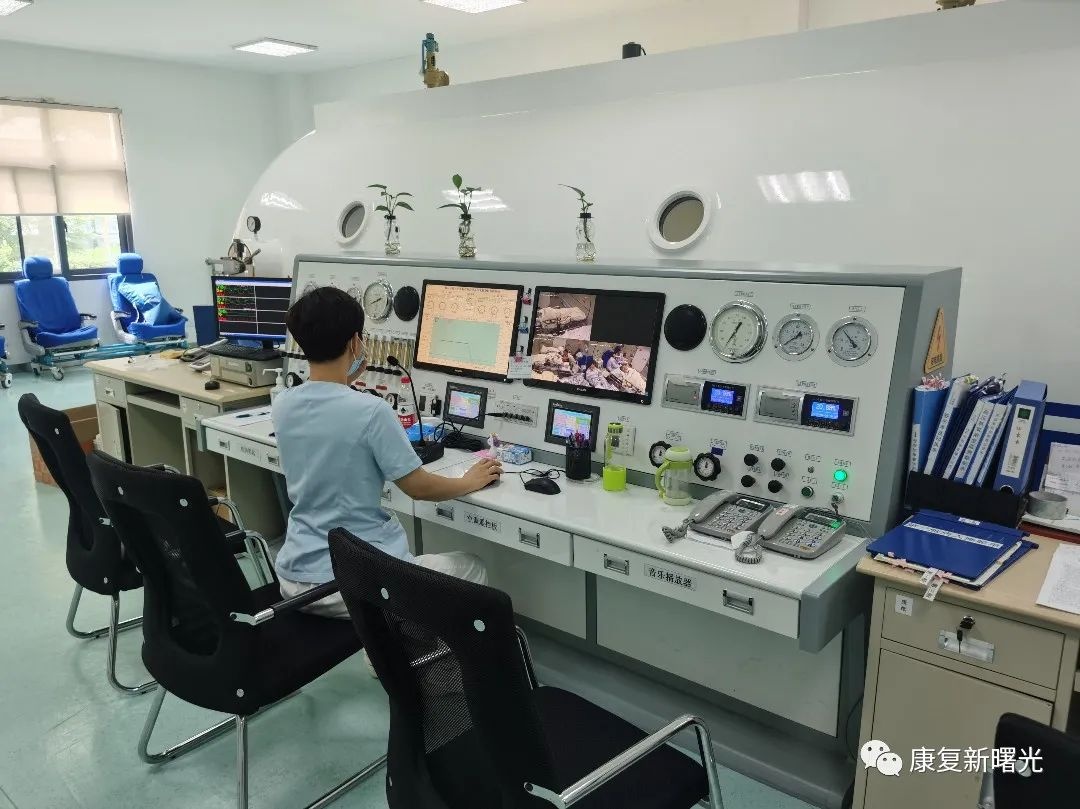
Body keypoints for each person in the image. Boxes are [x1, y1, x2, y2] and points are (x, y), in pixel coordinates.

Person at [272, 286, 501, 620]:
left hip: (294, 579)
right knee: (471, 568)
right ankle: (406, 648)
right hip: (349, 583)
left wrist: (347, 380)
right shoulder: (371, 411)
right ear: (355, 343)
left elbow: (329, 420)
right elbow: (418, 487)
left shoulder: (283, 404)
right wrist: (469, 480)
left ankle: (392, 637)